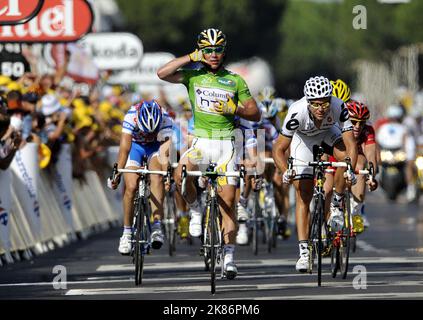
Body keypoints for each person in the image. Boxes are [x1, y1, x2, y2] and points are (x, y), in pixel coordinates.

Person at [157, 28, 261, 279]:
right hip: (202, 142)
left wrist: (233, 107)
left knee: (228, 204)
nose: (213, 55)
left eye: (218, 50)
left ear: (224, 52)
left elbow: (255, 113)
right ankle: (195, 209)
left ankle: (228, 256)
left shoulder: (235, 80)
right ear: (202, 50)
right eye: (208, 50)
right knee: (182, 173)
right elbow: (162, 73)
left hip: (226, 144)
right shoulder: (193, 75)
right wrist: (191, 57)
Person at [272, 76, 358, 273]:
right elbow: (278, 149)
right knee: (303, 195)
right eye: (316, 104)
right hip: (303, 141)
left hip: (329, 133)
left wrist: (350, 170)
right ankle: (304, 252)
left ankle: (336, 202)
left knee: (344, 158)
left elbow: (351, 144)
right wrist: (286, 171)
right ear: (308, 102)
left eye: (325, 103)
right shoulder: (296, 112)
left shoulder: (338, 106)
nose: (321, 108)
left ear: (331, 99)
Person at [108, 100, 174, 255]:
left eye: (152, 131)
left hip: (155, 148)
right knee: (131, 186)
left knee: (157, 178)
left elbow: (165, 151)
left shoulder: (165, 119)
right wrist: (117, 173)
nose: (148, 134)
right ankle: (127, 233)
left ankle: (157, 226)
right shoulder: (130, 116)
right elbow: (124, 148)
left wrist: (167, 175)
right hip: (135, 148)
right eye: (146, 131)